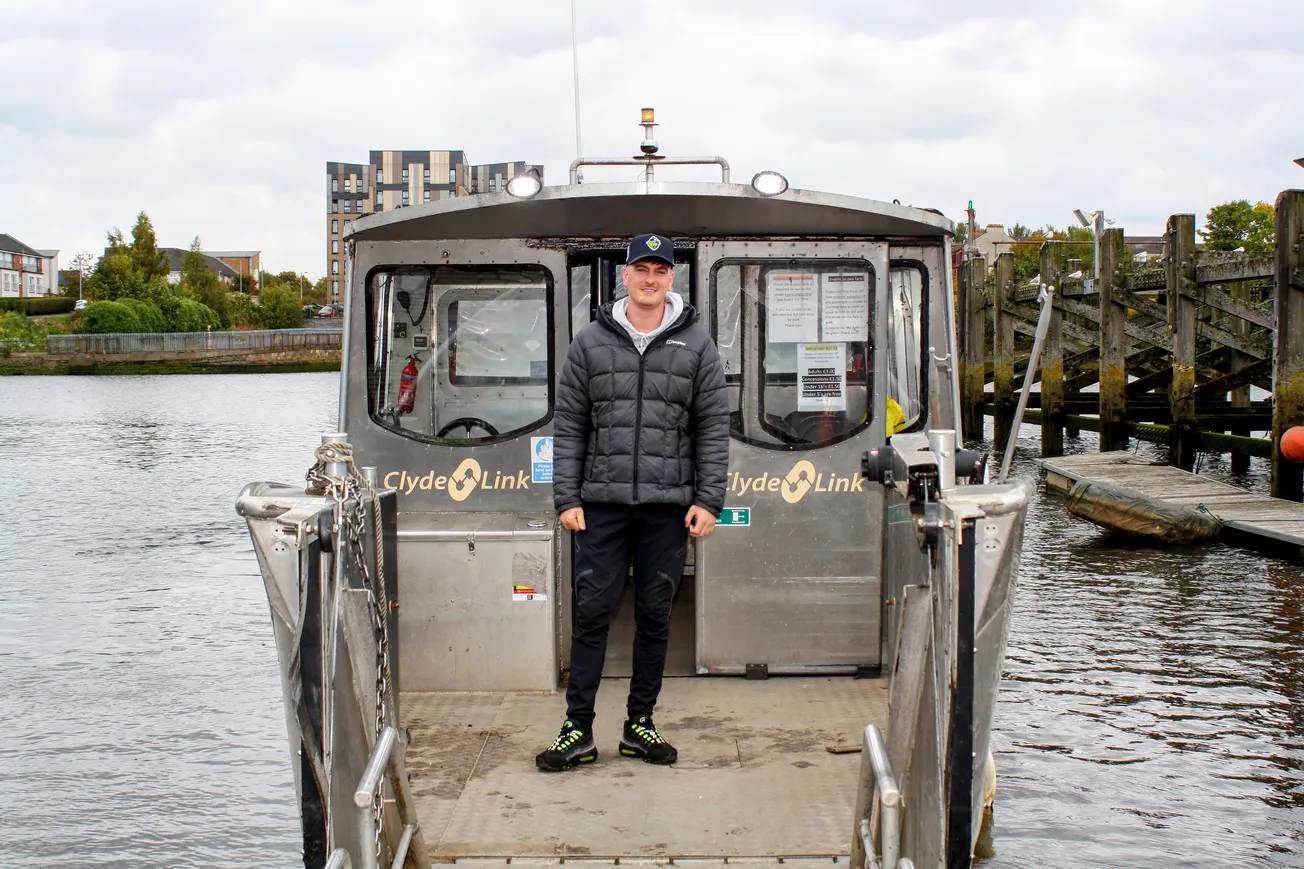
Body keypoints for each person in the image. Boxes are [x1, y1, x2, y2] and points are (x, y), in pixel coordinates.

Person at [535, 232, 730, 772]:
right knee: (592, 614)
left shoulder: (696, 344)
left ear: (672, 277)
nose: (650, 279)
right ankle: (576, 730)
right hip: (600, 506)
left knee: (654, 617)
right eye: (641, 269)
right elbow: (569, 426)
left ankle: (639, 725)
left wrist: (709, 499)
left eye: (660, 271)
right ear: (625, 275)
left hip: (669, 507)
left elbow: (713, 426)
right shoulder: (590, 342)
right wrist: (566, 497)